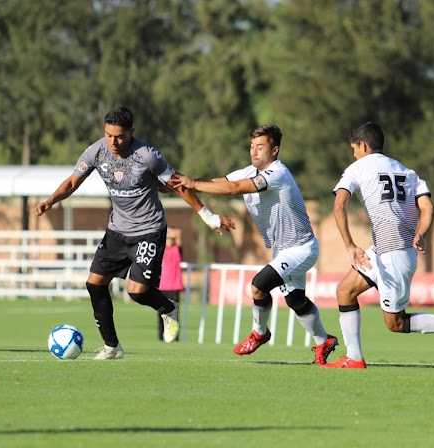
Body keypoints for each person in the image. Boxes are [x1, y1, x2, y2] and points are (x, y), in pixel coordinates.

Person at [35, 106, 235, 360]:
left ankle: (168, 307)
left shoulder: (148, 156)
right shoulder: (96, 151)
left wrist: (208, 215)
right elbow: (73, 181)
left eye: (119, 136)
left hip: (148, 230)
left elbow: (177, 185)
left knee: (137, 291)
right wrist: (50, 201)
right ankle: (112, 346)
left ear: (131, 132)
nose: (113, 142)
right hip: (117, 230)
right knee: (94, 284)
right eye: (108, 135)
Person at [322, 122, 434, 369]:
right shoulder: (407, 172)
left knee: (396, 324)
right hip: (386, 250)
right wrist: (421, 233)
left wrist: (349, 244)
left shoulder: (356, 168)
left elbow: (339, 206)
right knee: (345, 291)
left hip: (394, 257)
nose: (354, 154)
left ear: (364, 145)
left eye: (354, 149)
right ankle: (354, 357)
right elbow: (429, 208)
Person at [173, 125, 338, 364]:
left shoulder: (277, 173)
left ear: (275, 150)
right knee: (295, 300)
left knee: (259, 286)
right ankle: (324, 341)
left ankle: (260, 333)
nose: (254, 151)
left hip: (302, 248)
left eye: (260, 147)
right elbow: (223, 181)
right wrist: (189, 182)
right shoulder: (249, 171)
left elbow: (234, 188)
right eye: (252, 146)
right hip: (283, 249)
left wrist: (193, 184)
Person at [156, 227, 185, 341]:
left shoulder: (177, 250)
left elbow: (179, 234)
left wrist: (173, 232)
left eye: (172, 238)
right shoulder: (160, 250)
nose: (170, 240)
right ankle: (161, 338)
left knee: (174, 314)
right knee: (160, 315)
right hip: (161, 287)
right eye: (168, 238)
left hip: (174, 287)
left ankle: (174, 338)